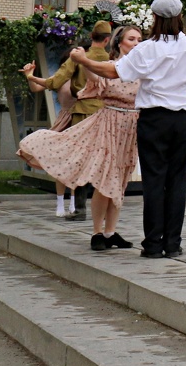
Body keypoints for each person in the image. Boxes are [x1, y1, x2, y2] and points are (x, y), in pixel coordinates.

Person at [72, 0, 186, 259]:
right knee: (177, 181)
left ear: (155, 18)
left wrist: (84, 61)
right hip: (183, 119)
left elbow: (112, 72)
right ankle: (172, 244)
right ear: (180, 17)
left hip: (153, 119)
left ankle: (152, 244)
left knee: (154, 181)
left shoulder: (147, 49)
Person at [21, 26, 149, 251]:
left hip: (131, 128)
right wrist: (83, 61)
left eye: (139, 39)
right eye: (131, 39)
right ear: (119, 42)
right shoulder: (110, 66)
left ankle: (110, 232)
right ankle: (97, 232)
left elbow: (165, 91)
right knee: (106, 178)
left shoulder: (145, 70)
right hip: (108, 124)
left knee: (120, 180)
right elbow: (93, 77)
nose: (137, 43)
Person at [45, 22, 112, 221]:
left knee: (81, 160)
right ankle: (103, 210)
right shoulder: (112, 60)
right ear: (107, 40)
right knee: (104, 162)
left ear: (91, 36)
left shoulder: (77, 57)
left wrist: (36, 79)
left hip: (82, 113)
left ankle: (80, 208)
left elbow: (56, 81)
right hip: (107, 115)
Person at [21, 56, 77, 216]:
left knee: (76, 164)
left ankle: (74, 203)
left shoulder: (85, 76)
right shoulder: (60, 78)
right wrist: (29, 75)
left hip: (81, 120)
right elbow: (36, 87)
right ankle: (60, 203)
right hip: (64, 121)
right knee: (61, 163)